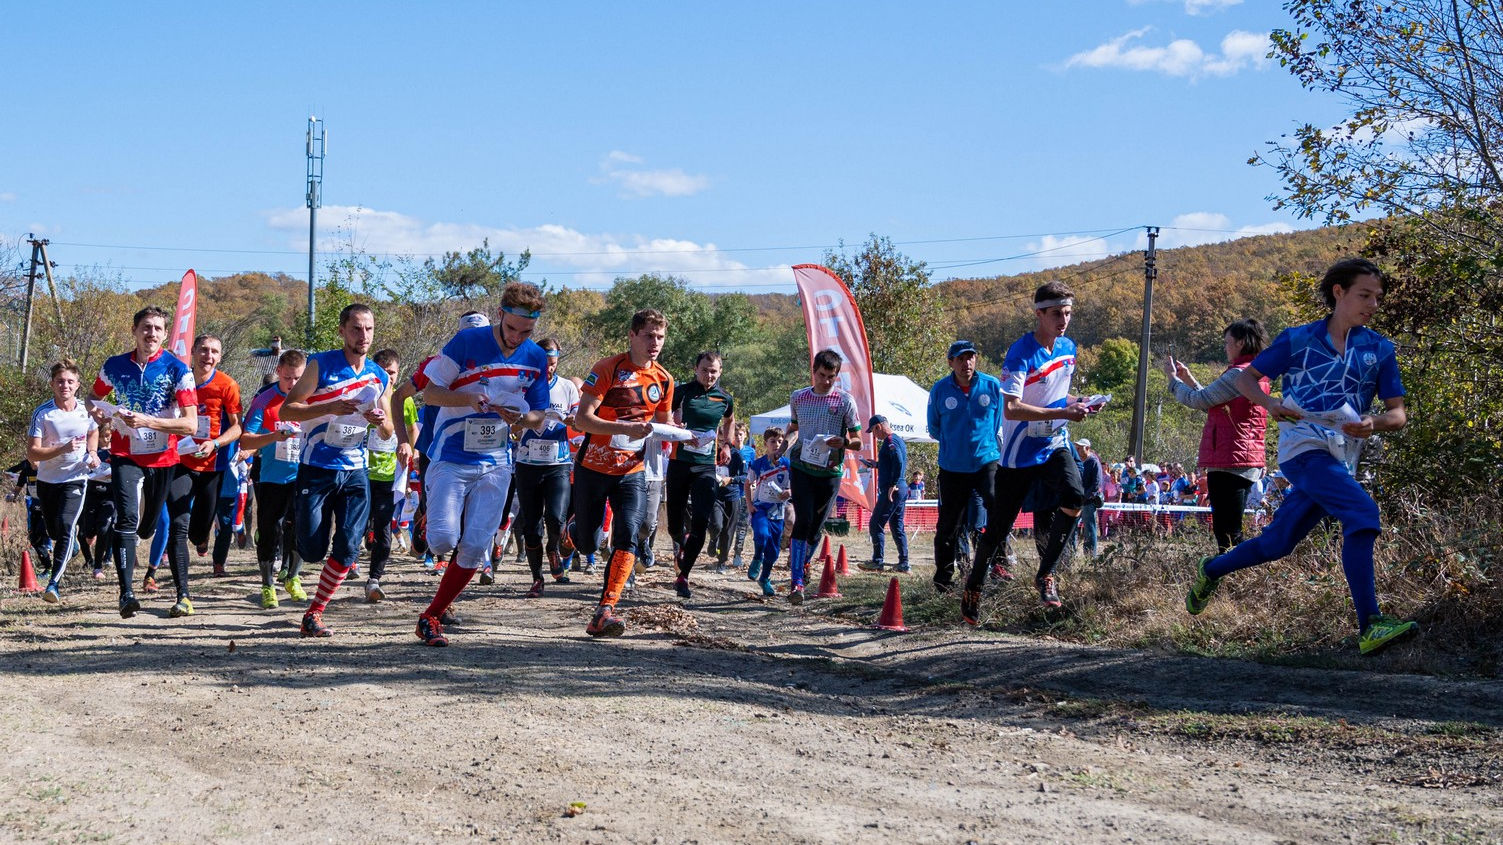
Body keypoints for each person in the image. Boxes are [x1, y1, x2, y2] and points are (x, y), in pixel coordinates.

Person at [1186, 258, 1418, 655]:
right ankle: (1371, 625)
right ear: (1338, 293)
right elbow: (1245, 379)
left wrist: (1372, 422)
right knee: (1363, 514)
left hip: (1343, 454)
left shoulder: (1379, 349)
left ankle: (1212, 569)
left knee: (1278, 542)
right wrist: (1270, 403)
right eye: (1365, 295)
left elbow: (1398, 414)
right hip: (1302, 449)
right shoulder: (1298, 339)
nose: (1373, 304)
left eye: (1378, 297)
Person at [409, 284, 550, 645]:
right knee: (442, 542)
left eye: (526, 332)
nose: (517, 338)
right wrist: (469, 398)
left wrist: (521, 417)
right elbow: (432, 393)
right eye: (512, 328)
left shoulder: (534, 357)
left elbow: (540, 416)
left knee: (473, 548)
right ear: (500, 314)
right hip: (451, 455)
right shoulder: (467, 342)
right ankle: (428, 518)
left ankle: (432, 616)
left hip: (496, 461)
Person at [962, 282, 1098, 623]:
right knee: (997, 529)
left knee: (1074, 496)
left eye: (1068, 313)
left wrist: (1078, 403)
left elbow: (1056, 396)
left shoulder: (1068, 347)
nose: (1063, 320)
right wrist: (1064, 413)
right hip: (1019, 451)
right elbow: (1012, 409)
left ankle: (1046, 574)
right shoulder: (1020, 352)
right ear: (1039, 314)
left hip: (1053, 443)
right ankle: (974, 585)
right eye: (1056, 314)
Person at [279, 303, 394, 638]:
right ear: (342, 330)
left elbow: (387, 431)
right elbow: (289, 408)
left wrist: (379, 420)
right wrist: (329, 407)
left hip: (356, 469)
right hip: (317, 466)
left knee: (347, 547)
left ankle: (314, 613)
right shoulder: (321, 364)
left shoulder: (378, 375)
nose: (364, 336)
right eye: (357, 329)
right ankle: (297, 533)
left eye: (369, 329)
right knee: (314, 549)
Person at [89, 306, 199, 619]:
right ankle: (126, 595)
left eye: (157, 329)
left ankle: (170, 583)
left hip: (164, 458)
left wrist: (148, 422)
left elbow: (190, 425)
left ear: (165, 334)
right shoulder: (114, 366)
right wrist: (101, 414)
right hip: (125, 455)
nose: (151, 334)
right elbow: (92, 399)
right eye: (146, 328)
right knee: (126, 519)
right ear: (135, 331)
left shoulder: (177, 369)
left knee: (148, 526)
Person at [570, 308, 673, 637]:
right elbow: (583, 419)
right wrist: (624, 428)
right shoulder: (607, 368)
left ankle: (605, 610)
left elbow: (663, 425)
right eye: (648, 336)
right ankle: (573, 529)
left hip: (633, 470)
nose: (655, 343)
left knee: (629, 532)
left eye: (660, 337)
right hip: (593, 467)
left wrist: (685, 436)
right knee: (587, 542)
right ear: (632, 336)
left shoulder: (664, 379)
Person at [1165, 318, 1273, 553]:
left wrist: (1173, 381)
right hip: (1247, 458)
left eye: (1228, 342)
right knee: (1231, 530)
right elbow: (1213, 403)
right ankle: (1238, 576)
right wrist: (1189, 379)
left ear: (1241, 343)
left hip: (1229, 459)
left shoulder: (1238, 375)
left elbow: (1198, 400)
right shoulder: (1257, 374)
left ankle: (1236, 577)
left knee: (1227, 534)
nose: (1225, 347)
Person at [394, 311, 492, 566]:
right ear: (459, 336)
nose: (477, 341)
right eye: (469, 335)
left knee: (468, 515)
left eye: (482, 335)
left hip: (479, 451)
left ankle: (451, 566)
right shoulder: (437, 363)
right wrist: (404, 440)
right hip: (435, 450)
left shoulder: (500, 366)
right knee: (436, 508)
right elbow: (398, 397)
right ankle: (425, 523)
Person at [926, 339, 1006, 592]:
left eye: (970, 357)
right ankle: (943, 579)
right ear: (951, 362)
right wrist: (956, 445)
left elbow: (996, 424)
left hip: (986, 461)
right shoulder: (940, 390)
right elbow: (935, 428)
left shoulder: (992, 386)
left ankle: (1000, 565)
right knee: (949, 524)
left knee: (998, 508)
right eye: (960, 358)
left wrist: (983, 448)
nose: (966, 363)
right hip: (952, 467)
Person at [784, 348, 862, 604]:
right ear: (813, 372)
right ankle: (796, 582)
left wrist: (844, 444)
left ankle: (803, 563)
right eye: (822, 375)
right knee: (803, 520)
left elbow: (858, 441)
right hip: (802, 466)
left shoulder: (844, 401)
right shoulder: (798, 397)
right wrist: (784, 445)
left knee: (816, 527)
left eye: (831, 376)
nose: (826, 381)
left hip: (829, 471)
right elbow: (794, 429)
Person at [27, 360, 101, 602]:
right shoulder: (43, 413)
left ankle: (53, 585)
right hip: (48, 480)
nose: (65, 385)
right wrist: (62, 449)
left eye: (70, 381)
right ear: (52, 384)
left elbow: (93, 431)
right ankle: (73, 549)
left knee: (67, 528)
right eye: (60, 381)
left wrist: (92, 453)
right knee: (55, 531)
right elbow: (33, 453)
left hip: (76, 478)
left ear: (78, 385)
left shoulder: (85, 411)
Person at [241, 349, 308, 609]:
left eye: (298, 379)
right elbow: (246, 439)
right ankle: (268, 585)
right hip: (271, 478)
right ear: (279, 371)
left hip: (303, 475)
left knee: (301, 528)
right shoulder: (264, 401)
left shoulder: (311, 400)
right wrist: (273, 437)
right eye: (288, 378)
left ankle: (293, 578)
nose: (293, 384)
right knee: (270, 530)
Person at [666, 351, 735, 598]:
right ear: (696, 369)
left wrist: (727, 444)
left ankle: (683, 576)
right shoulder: (682, 392)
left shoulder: (724, 397)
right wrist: (675, 428)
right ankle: (680, 542)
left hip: (706, 466)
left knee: (702, 521)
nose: (709, 375)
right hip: (679, 462)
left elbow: (729, 421)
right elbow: (663, 417)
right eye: (705, 370)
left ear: (720, 372)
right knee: (674, 523)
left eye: (714, 371)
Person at [515, 337, 581, 592]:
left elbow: (579, 420)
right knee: (531, 526)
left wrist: (571, 420)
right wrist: (523, 422)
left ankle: (553, 546)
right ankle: (537, 578)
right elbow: (511, 424)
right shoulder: (522, 385)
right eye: (545, 364)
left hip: (558, 462)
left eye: (553, 364)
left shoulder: (567, 387)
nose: (549, 368)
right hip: (527, 462)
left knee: (555, 518)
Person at [178, 334, 244, 578]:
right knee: (177, 520)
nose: (208, 356)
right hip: (180, 460)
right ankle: (177, 576)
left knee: (198, 531)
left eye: (214, 352)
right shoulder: (178, 380)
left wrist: (215, 443)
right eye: (204, 350)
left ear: (220, 356)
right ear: (194, 351)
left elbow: (237, 427)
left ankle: (201, 537)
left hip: (212, 463)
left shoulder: (227, 385)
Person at [364, 348, 415, 601]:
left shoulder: (404, 400)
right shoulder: (363, 397)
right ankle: (351, 561)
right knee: (358, 525)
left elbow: (412, 430)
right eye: (382, 371)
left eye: (392, 372)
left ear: (398, 372)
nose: (388, 376)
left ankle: (374, 580)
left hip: (388, 473)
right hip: (361, 472)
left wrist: (409, 453)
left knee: (384, 526)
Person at [859, 414, 910, 573]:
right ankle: (904, 563)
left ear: (878, 427)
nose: (874, 436)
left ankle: (877, 561)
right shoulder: (897, 439)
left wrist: (892, 485)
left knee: (876, 524)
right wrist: (876, 465)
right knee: (897, 526)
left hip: (893, 490)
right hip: (900, 488)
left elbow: (899, 462)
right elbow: (892, 463)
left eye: (873, 432)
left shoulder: (890, 441)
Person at [746, 427, 791, 595]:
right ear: (765, 444)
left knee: (773, 553)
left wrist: (790, 492)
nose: (776, 445)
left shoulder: (787, 465)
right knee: (762, 534)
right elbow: (747, 483)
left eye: (780, 442)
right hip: (760, 508)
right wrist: (750, 505)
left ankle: (764, 578)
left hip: (778, 511)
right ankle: (757, 557)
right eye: (772, 441)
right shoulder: (758, 464)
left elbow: (794, 485)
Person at [708, 442, 748, 572]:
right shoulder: (712, 452)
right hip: (715, 496)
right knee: (716, 525)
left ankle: (721, 561)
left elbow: (745, 476)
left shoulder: (737, 455)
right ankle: (713, 539)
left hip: (732, 497)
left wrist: (731, 480)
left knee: (728, 532)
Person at [728, 421, 756, 569]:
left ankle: (738, 553)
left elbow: (753, 472)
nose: (738, 437)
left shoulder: (750, 452)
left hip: (745, 494)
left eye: (741, 434)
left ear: (745, 435)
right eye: (736, 434)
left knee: (742, 525)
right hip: (731, 494)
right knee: (729, 525)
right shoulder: (729, 451)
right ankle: (723, 551)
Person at [1075, 439, 1103, 557]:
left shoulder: (1094, 462)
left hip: (1089, 502)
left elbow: (1096, 484)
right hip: (1077, 501)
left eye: (1080, 448)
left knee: (1089, 530)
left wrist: (1085, 496)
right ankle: (1070, 554)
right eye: (1077, 448)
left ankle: (1090, 555)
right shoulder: (1077, 461)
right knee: (1071, 528)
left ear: (1087, 448)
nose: (1077, 450)